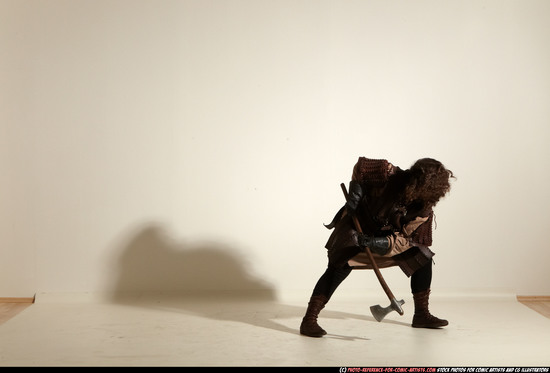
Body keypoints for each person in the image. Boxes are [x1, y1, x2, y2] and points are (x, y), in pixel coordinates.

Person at [300, 157, 455, 338]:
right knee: (337, 268)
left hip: (384, 241)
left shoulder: (423, 210)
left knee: (422, 258)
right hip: (355, 230)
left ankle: (421, 315)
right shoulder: (387, 173)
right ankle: (309, 320)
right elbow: (361, 168)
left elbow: (405, 240)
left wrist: (376, 243)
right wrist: (355, 196)